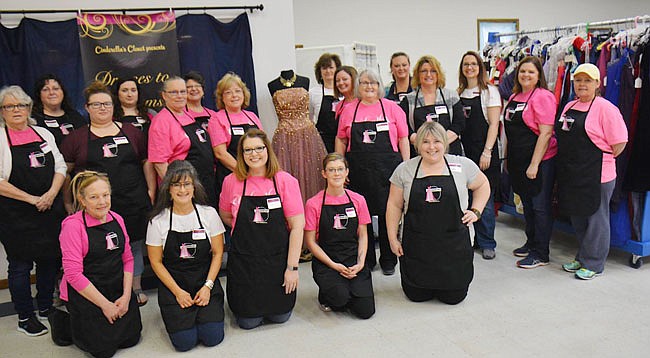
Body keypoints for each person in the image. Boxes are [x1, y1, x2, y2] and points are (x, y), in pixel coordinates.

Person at [60, 81, 155, 306]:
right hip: (96, 206)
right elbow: (65, 171)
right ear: (87, 108)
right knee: (99, 246)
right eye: (97, 104)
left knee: (132, 244)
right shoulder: (77, 138)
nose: (102, 108)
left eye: (107, 104)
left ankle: (135, 287)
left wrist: (151, 189)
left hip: (132, 199)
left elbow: (146, 161)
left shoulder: (131, 132)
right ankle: (103, 290)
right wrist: (68, 200)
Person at [386, 122, 490, 304]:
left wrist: (476, 211)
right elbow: (394, 205)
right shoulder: (405, 170)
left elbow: (482, 185)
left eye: (436, 141)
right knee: (417, 296)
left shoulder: (462, 165)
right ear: (417, 145)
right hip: (417, 246)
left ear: (445, 143)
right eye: (425, 142)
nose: (431, 147)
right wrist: (392, 239)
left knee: (453, 298)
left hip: (454, 247)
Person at [219, 129, 304, 329]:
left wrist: (292, 269)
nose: (254, 154)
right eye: (248, 150)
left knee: (280, 317)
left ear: (268, 150)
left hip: (277, 262)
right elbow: (225, 215)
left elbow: (297, 226)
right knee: (248, 322)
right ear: (241, 154)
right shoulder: (231, 181)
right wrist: (249, 229)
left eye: (259, 148)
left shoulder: (285, 181)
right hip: (245, 263)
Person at [0, 85, 66, 336]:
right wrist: (31, 199)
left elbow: (60, 166)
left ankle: (46, 306)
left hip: (49, 208)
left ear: (28, 108)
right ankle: (26, 316)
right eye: (9, 106)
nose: (16, 110)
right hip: (16, 214)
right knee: (20, 265)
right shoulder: (0, 138)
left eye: (20, 105)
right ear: (2, 112)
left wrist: (50, 194)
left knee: (50, 260)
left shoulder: (43, 133)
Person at [58, 171, 142, 357]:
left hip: (115, 286)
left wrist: (127, 295)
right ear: (82, 199)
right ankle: (64, 323)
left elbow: (127, 259)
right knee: (103, 351)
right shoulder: (72, 226)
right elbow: (73, 275)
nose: (102, 202)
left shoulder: (117, 219)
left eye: (105, 195)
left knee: (131, 339)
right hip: (87, 292)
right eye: (94, 197)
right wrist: (105, 305)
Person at [556, 63, 628, 280]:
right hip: (573, 173)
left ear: (597, 84)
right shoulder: (569, 107)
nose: (582, 84)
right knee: (578, 216)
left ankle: (594, 263)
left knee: (596, 218)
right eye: (578, 80)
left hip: (598, 173)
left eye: (588, 80)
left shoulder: (606, 109)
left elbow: (620, 142)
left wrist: (601, 158)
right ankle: (583, 255)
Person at [335, 69, 410, 276]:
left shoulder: (393, 109)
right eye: (365, 83)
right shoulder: (349, 110)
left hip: (388, 172)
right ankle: (366, 259)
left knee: (389, 215)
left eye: (374, 83)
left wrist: (406, 166)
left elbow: (403, 138)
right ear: (358, 86)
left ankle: (389, 259)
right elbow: (341, 140)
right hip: (359, 172)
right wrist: (340, 167)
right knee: (362, 219)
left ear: (380, 86)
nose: (369, 87)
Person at [147, 160, 226, 350]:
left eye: (187, 184)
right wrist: (178, 292)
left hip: (204, 280)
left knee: (212, 337)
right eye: (176, 184)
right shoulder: (158, 221)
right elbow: (156, 262)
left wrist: (208, 286)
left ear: (194, 186)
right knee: (184, 343)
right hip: (175, 285)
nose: (182, 190)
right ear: (168, 189)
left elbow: (217, 253)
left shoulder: (209, 214)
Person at [304, 153, 375, 319]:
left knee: (366, 311)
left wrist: (360, 263)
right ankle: (329, 292)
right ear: (324, 173)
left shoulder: (358, 200)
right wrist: (334, 265)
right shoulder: (313, 204)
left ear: (347, 172)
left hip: (352, 257)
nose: (336, 173)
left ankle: (349, 291)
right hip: (327, 260)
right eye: (331, 170)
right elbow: (310, 242)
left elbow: (363, 235)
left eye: (340, 169)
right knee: (340, 299)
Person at [503, 56, 557, 268]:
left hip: (540, 161)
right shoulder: (515, 96)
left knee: (539, 206)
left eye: (531, 72)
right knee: (526, 204)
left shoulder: (543, 97)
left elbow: (545, 134)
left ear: (538, 76)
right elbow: (509, 131)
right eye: (523, 71)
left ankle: (541, 252)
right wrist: (508, 159)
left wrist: (535, 164)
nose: (526, 75)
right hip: (518, 159)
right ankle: (531, 242)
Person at [457, 51, 502, 260]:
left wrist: (487, 151)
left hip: (484, 152)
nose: (470, 68)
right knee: (467, 199)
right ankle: (474, 239)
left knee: (485, 197)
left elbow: (494, 124)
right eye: (466, 64)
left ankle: (487, 242)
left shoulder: (489, 91)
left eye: (473, 64)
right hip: (464, 153)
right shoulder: (458, 92)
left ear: (480, 67)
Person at [148, 77, 217, 207]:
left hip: (205, 184)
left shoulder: (188, 115)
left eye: (183, 91)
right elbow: (160, 164)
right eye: (174, 92)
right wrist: (180, 190)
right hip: (185, 191)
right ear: (164, 95)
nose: (179, 96)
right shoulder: (161, 122)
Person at [208, 72, 263, 208]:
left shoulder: (252, 116)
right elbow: (220, 153)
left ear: (244, 94)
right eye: (228, 92)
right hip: (232, 176)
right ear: (222, 97)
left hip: (256, 174)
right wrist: (244, 171)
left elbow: (263, 145)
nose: (234, 95)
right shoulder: (217, 119)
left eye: (238, 91)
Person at [400, 55, 465, 156]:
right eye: (424, 71)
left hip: (449, 151)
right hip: (421, 153)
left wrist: (439, 144)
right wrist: (423, 144)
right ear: (417, 74)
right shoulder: (408, 100)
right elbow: (404, 127)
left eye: (433, 71)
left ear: (438, 74)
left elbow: (459, 123)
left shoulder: (451, 96)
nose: (428, 74)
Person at [31, 74, 86, 146]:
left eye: (56, 89)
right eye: (45, 90)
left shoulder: (75, 116)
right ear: (39, 95)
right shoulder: (34, 120)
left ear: (63, 92)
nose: (51, 93)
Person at [309, 53, 342, 153]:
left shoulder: (345, 91)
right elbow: (309, 119)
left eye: (331, 67)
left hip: (343, 140)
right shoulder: (313, 93)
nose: (328, 71)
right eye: (324, 68)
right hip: (322, 142)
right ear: (319, 71)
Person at [333, 66, 358, 132]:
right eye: (337, 81)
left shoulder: (363, 102)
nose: (341, 83)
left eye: (344, 79)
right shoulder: (339, 106)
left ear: (354, 80)